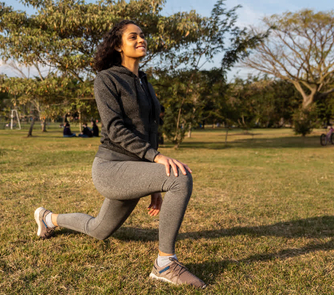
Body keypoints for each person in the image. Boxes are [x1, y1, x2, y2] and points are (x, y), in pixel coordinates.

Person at [34, 20, 206, 289]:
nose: (141, 40)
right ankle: (164, 264)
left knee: (99, 230)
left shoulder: (144, 81)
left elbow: (150, 130)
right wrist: (158, 159)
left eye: (143, 35)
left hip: (135, 168)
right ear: (118, 45)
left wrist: (155, 185)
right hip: (111, 168)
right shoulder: (107, 78)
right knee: (180, 177)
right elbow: (114, 128)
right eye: (133, 36)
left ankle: (48, 218)